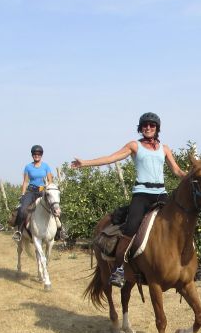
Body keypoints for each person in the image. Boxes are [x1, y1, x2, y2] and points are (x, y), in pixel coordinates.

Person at [71, 112, 186, 287]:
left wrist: (196, 175)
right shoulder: (134, 146)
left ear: (157, 129)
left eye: (152, 125)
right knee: (131, 228)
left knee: (181, 222)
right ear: (140, 128)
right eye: (145, 125)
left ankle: (190, 264)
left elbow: (177, 171)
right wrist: (85, 163)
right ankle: (118, 269)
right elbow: (111, 158)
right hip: (141, 195)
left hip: (161, 194)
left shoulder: (165, 148)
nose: (148, 128)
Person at [12, 145, 66, 241]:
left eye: (39, 154)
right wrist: (23, 194)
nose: (37, 156)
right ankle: (19, 231)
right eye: (35, 154)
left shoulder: (46, 166)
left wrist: (48, 189)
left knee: (55, 207)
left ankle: (60, 231)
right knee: (22, 209)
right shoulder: (28, 167)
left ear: (41, 155)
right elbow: (25, 181)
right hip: (31, 191)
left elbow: (50, 180)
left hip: (43, 191)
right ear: (32, 155)